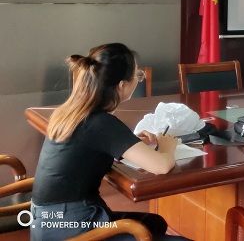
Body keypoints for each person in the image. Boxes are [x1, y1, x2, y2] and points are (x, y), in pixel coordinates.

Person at [31, 43, 183, 240]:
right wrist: (167, 146)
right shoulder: (101, 123)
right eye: (137, 75)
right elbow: (161, 166)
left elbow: (89, 147)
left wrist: (129, 143)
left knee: (154, 223)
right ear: (122, 85)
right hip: (70, 226)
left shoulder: (71, 112)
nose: (138, 80)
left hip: (47, 221)